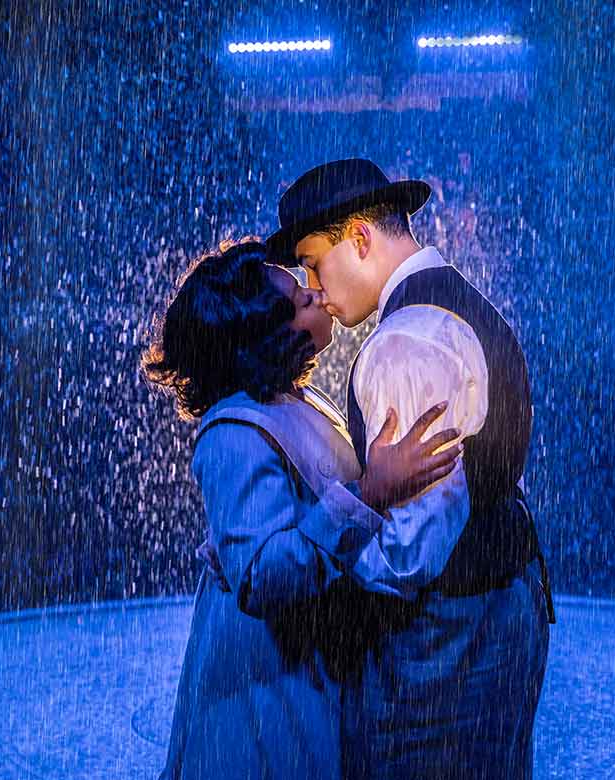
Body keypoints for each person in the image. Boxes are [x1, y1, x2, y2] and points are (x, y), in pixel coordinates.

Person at [265, 158, 554, 780]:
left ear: (360, 239)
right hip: (494, 605)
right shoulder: (448, 299)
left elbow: (411, 550)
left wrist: (320, 594)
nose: (312, 286)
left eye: (313, 262)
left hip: (447, 637)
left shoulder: (406, 340)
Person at [143, 238, 463, 780]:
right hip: (263, 685)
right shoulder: (233, 434)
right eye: (299, 298)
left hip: (305, 662)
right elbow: (260, 576)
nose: (316, 293)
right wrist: (371, 494)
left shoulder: (297, 401)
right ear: (266, 334)